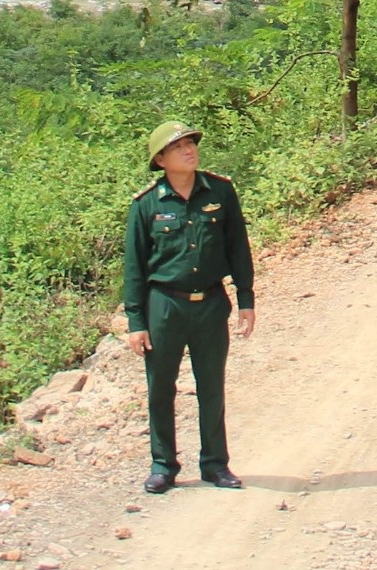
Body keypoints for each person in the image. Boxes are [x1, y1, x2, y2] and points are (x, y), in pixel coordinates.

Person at [121, 120, 255, 494]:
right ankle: (163, 465)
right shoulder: (146, 204)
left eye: (191, 142)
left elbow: (238, 249)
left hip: (211, 303)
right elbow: (134, 266)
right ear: (160, 159)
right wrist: (136, 321)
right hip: (163, 305)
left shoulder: (221, 193)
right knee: (161, 387)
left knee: (211, 385)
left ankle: (216, 464)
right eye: (178, 146)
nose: (189, 149)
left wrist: (246, 298)